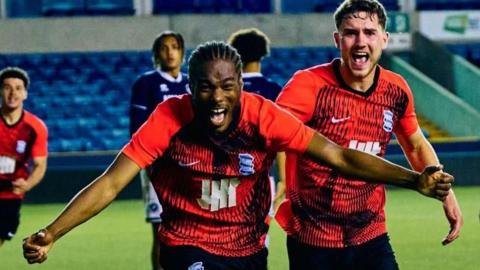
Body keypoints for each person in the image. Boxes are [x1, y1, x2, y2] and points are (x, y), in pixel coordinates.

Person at [23, 41, 453, 270]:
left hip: (248, 251)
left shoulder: (265, 117)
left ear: (241, 87)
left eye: (227, 86)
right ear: (189, 86)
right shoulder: (169, 117)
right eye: (206, 86)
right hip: (187, 243)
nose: (217, 97)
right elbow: (112, 182)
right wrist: (54, 232)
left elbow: (338, 156)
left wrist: (414, 179)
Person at [274, 1, 463, 269]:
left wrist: (446, 194)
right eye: (351, 33)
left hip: (370, 233)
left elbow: (416, 144)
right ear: (337, 40)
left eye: (370, 32)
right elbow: (273, 133)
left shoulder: (396, 89)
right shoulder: (308, 85)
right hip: (313, 238)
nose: (360, 41)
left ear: (384, 39)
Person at [129, 30, 189, 270]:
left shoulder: (190, 83)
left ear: (182, 52)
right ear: (156, 54)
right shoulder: (146, 83)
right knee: (161, 230)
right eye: (164, 47)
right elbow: (137, 126)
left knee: (190, 228)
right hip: (159, 165)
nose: (170, 52)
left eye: (175, 46)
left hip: (191, 165)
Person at [227, 27, 285, 221]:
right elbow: (281, 140)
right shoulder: (274, 91)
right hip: (260, 179)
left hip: (225, 179)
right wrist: (283, 180)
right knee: (259, 242)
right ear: (263, 54)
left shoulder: (224, 91)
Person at [0, 67, 48, 247]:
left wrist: (27, 185)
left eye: (18, 88)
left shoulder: (35, 127)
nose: (13, 93)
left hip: (10, 195)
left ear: (25, 94)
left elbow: (40, 164)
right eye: (7, 87)